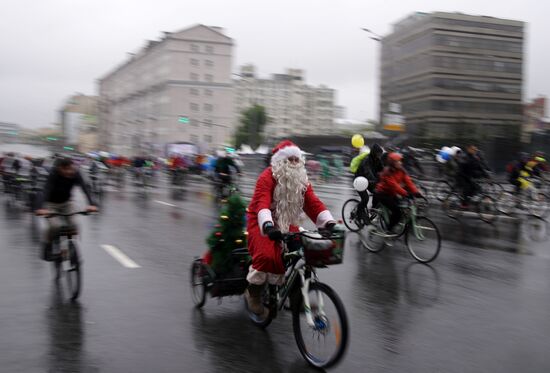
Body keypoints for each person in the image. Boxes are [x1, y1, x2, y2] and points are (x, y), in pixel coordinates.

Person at [245, 140, 336, 316]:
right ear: (280, 161)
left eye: (297, 159)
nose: (294, 163)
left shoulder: (301, 180)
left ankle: (296, 298)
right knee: (267, 255)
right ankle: (253, 293)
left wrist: (328, 222)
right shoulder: (266, 177)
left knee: (306, 250)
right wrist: (268, 226)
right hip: (261, 221)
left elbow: (312, 203)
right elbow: (262, 204)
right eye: (290, 159)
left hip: (286, 223)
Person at [35, 158, 98, 261]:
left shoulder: (76, 173)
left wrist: (91, 204)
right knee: (55, 226)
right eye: (66, 169)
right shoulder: (54, 174)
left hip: (66, 203)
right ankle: (47, 248)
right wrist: (40, 208)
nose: (69, 172)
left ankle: (71, 247)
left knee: (73, 224)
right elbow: (45, 190)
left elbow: (85, 188)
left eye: (71, 169)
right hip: (51, 204)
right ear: (59, 168)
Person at [375, 152, 421, 234]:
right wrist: (406, 194)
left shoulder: (401, 171)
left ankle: (393, 222)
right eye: (398, 161)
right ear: (392, 163)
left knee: (402, 208)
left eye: (400, 161)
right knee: (397, 212)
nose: (400, 163)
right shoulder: (387, 172)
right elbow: (394, 186)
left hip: (392, 193)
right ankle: (388, 230)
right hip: (382, 194)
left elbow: (408, 182)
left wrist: (416, 192)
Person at [354, 144, 384, 218]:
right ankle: (358, 213)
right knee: (365, 199)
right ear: (374, 152)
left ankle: (373, 209)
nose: (379, 155)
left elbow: (383, 170)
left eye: (380, 154)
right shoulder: (366, 160)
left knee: (378, 192)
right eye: (378, 154)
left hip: (369, 181)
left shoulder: (378, 160)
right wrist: (375, 180)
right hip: (360, 181)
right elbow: (367, 172)